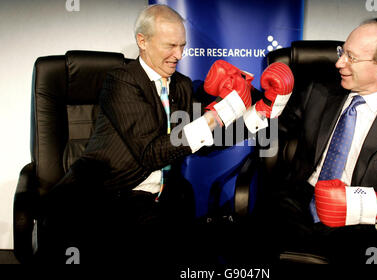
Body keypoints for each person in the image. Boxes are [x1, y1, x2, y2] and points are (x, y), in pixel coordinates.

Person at [38, 4, 294, 264]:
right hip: (104, 192)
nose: (179, 54)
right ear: (143, 41)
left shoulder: (181, 85)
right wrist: (219, 112)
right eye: (170, 46)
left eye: (182, 46)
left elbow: (202, 142)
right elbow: (152, 153)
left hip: (155, 197)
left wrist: (257, 114)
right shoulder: (120, 81)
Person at [266, 18, 377, 264]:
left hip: (358, 222)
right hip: (297, 203)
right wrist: (257, 103)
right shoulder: (319, 91)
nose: (339, 63)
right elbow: (272, 126)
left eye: (351, 57)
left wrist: (360, 205)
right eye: (342, 52)